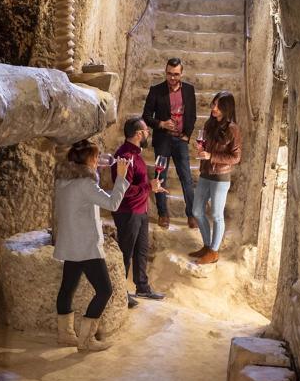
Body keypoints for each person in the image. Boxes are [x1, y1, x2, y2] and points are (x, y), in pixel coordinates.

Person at [53, 139, 131, 352]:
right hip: (86, 246)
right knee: (105, 290)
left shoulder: (63, 182)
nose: (98, 161)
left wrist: (95, 172)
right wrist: (121, 177)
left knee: (67, 288)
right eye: (95, 157)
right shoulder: (85, 185)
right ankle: (86, 340)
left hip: (71, 243)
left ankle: (65, 334)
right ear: (86, 160)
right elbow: (112, 203)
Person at [111, 117, 167, 308]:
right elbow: (124, 190)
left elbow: (139, 184)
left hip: (140, 209)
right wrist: (148, 186)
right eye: (146, 130)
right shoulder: (125, 156)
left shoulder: (136, 153)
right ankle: (120, 292)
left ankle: (142, 286)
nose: (148, 133)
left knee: (141, 250)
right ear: (138, 134)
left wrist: (151, 187)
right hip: (128, 211)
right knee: (126, 253)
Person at [142, 57, 198, 229]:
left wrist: (187, 136)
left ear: (181, 73)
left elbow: (192, 115)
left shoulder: (189, 90)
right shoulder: (156, 90)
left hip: (181, 140)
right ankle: (163, 214)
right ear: (165, 72)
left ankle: (192, 215)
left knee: (187, 179)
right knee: (161, 178)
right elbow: (146, 116)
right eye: (169, 74)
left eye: (175, 74)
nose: (172, 78)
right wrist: (161, 124)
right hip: (163, 140)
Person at [190, 91, 242, 264]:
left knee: (217, 214)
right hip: (205, 173)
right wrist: (202, 151)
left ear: (227, 109)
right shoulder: (209, 124)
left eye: (218, 106)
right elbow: (203, 145)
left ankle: (214, 251)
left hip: (220, 176)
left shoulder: (233, 129)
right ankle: (207, 245)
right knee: (196, 210)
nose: (214, 108)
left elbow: (236, 157)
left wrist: (211, 156)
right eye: (214, 104)